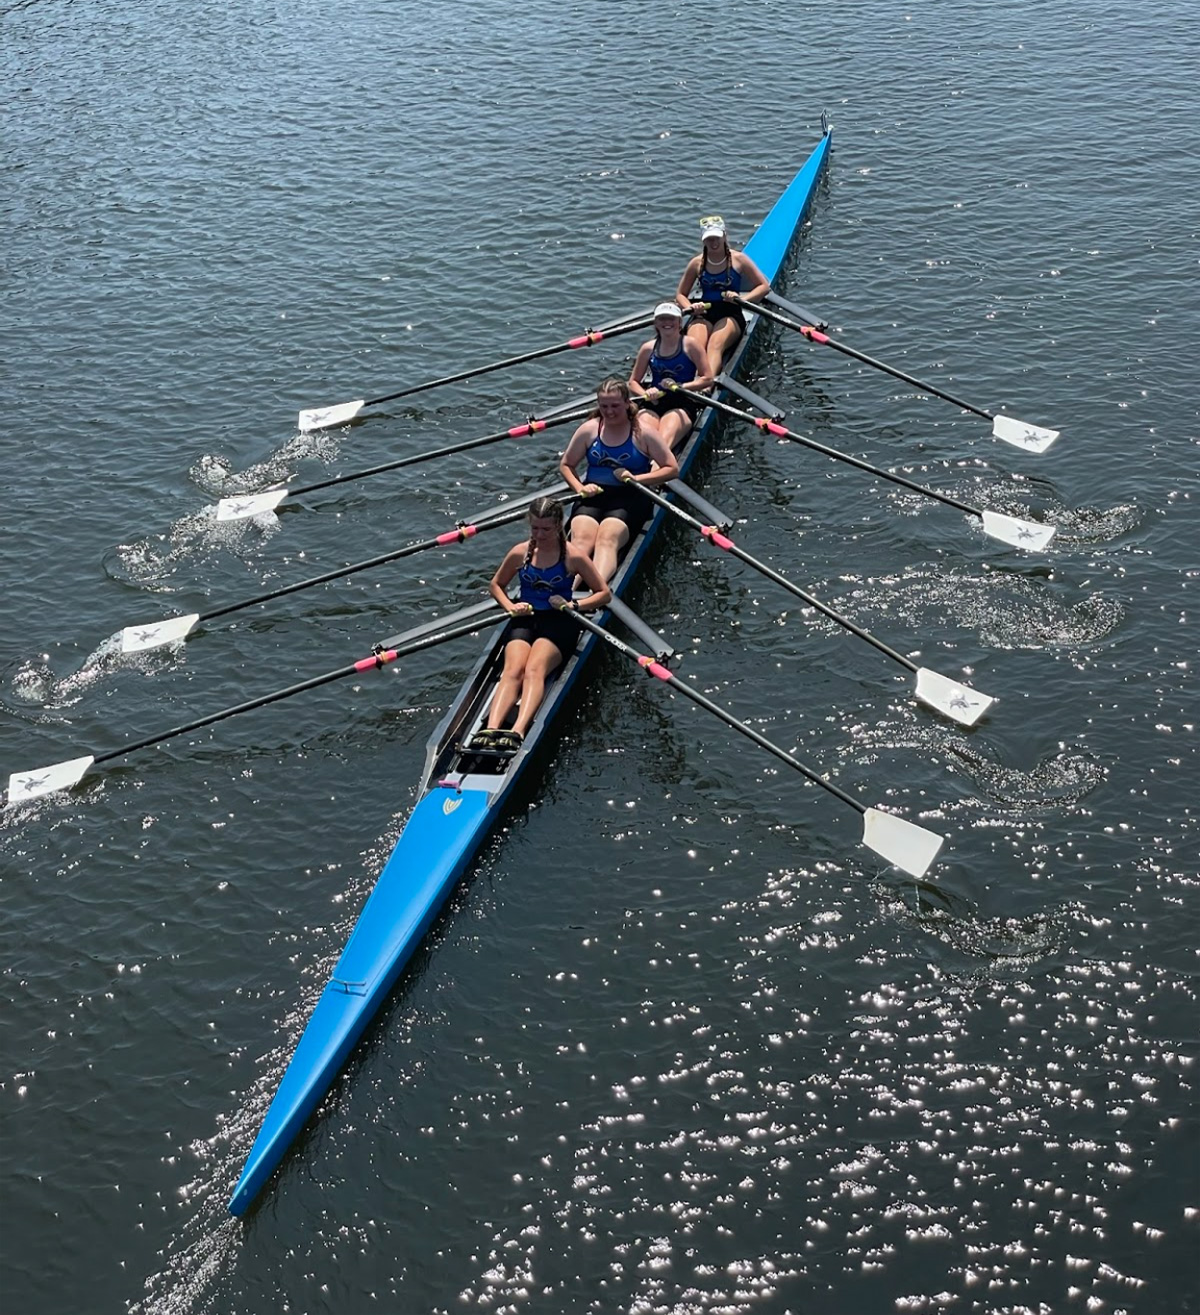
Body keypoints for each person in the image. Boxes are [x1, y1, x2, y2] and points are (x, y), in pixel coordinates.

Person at [471, 497, 611, 753]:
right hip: (526, 618)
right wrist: (510, 606)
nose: (539, 534)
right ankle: (490, 729)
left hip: (560, 620)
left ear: (559, 525)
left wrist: (575, 606)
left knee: (534, 670)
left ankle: (518, 731)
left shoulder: (573, 557)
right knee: (512, 670)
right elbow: (496, 586)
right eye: (535, 528)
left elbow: (603, 593)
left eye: (546, 529)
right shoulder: (520, 552)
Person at [558, 377, 679, 582]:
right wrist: (579, 488)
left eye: (615, 405)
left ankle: (595, 590)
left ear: (627, 403)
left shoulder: (643, 433)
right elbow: (566, 465)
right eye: (603, 406)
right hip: (593, 494)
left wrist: (637, 478)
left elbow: (672, 469)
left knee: (607, 538)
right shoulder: (589, 429)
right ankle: (565, 589)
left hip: (631, 495)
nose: (609, 411)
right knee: (581, 542)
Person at [675, 215, 770, 376]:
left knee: (714, 345)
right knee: (695, 345)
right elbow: (680, 295)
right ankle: (686, 382)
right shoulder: (696, 263)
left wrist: (742, 300)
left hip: (731, 313)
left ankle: (705, 385)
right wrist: (689, 307)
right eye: (709, 239)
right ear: (703, 240)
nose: (713, 243)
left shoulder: (739, 259)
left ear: (725, 235)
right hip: (703, 312)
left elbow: (764, 287)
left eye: (717, 238)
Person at [628, 302, 713, 451]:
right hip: (653, 402)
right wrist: (645, 394)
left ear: (680, 322)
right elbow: (633, 382)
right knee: (640, 441)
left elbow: (707, 378)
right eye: (662, 319)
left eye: (671, 319)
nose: (667, 323)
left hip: (682, 401)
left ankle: (659, 468)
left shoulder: (691, 345)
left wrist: (681, 387)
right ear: (656, 323)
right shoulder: (648, 348)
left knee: (661, 444)